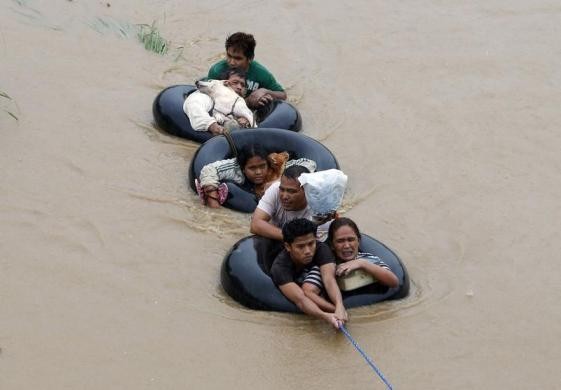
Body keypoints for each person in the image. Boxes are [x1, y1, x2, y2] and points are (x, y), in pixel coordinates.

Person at [302, 217, 399, 309]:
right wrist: (335, 309)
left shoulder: (368, 259)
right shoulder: (326, 265)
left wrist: (362, 264)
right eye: (340, 241)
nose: (347, 245)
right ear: (332, 245)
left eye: (351, 239)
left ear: (358, 241)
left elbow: (393, 282)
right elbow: (308, 291)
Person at [270, 218, 347, 329]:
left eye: (311, 243)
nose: (308, 251)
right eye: (300, 246)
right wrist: (326, 316)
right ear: (288, 247)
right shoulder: (279, 268)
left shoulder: (321, 249)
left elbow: (329, 280)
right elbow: (301, 299)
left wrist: (340, 306)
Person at [195, 144, 290, 208]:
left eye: (262, 166)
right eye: (252, 168)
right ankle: (209, 191)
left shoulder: (275, 165)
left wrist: (278, 181)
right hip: (244, 187)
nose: (258, 172)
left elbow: (299, 167)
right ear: (243, 168)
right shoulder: (235, 168)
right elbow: (209, 169)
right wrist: (212, 194)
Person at [208, 32, 287, 109]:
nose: (231, 62)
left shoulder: (261, 74)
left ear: (250, 58)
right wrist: (247, 102)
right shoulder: (217, 71)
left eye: (238, 58)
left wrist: (265, 91)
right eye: (229, 56)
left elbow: (283, 95)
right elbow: (208, 99)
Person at [250, 163, 316, 241]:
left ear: (307, 191)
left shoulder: (318, 208)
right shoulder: (275, 189)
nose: (284, 196)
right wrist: (291, 237)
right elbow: (255, 225)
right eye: (282, 189)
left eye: (292, 191)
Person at [183, 67, 250, 136]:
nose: (239, 87)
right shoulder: (205, 97)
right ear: (223, 83)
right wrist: (212, 126)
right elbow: (194, 106)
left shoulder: (242, 106)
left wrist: (247, 121)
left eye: (242, 85)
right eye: (235, 83)